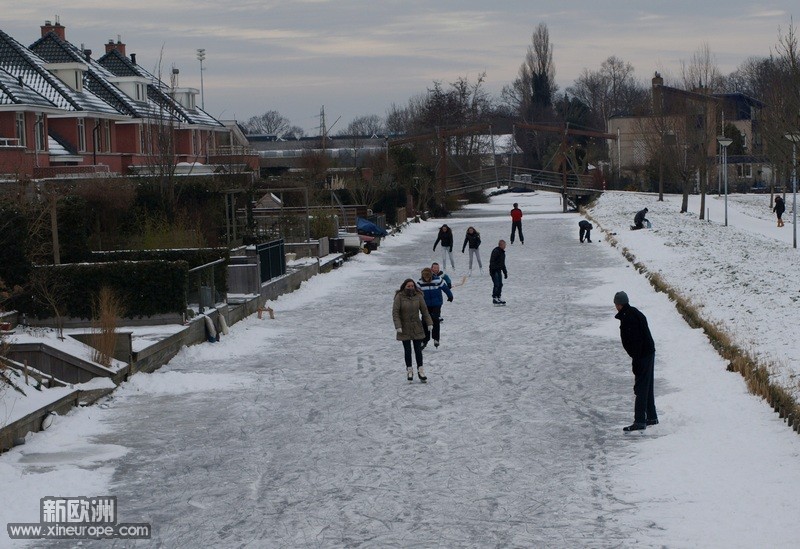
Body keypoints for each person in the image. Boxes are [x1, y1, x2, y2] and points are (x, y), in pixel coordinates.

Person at [614, 291, 658, 432]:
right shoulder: (633, 313)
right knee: (647, 386)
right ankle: (651, 417)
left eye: (616, 304)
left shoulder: (629, 318)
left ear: (619, 304)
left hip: (642, 355)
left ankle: (639, 420)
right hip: (648, 352)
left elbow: (635, 341)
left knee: (640, 387)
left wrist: (637, 360)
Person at [393, 279, 433, 381]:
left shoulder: (418, 296)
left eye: (412, 286)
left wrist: (429, 323)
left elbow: (424, 311)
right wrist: (398, 326)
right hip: (404, 327)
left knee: (418, 350)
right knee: (407, 350)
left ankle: (421, 370)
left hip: (416, 326)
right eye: (408, 286)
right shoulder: (399, 297)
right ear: (404, 286)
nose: (411, 288)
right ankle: (409, 370)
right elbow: (395, 312)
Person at [417, 267, 453, 349]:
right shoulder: (420, 283)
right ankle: (424, 339)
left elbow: (445, 288)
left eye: (428, 277)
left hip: (437, 303)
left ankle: (436, 338)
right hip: (425, 305)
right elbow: (416, 293)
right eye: (425, 278)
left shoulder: (437, 280)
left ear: (431, 275)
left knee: (435, 319)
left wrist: (450, 296)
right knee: (425, 321)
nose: (426, 279)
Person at [489, 240, 508, 305]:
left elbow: (503, 264)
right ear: (500, 245)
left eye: (505, 245)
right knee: (496, 284)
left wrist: (505, 272)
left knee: (500, 284)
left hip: (498, 270)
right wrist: (494, 270)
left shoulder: (502, 252)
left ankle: (498, 297)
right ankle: (494, 298)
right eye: (504, 245)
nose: (505, 246)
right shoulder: (495, 251)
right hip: (494, 271)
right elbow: (492, 262)